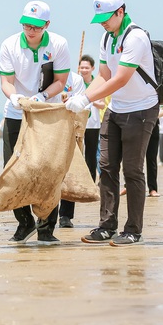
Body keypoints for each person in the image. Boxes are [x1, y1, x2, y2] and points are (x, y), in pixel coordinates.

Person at [66, 0, 158, 246]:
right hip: (115, 109)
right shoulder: (107, 38)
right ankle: (106, 226)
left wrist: (85, 100)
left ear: (121, 12)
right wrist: (82, 95)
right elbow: (104, 75)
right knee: (106, 167)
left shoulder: (136, 37)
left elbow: (120, 79)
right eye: (100, 18)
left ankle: (133, 230)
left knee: (132, 170)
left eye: (107, 17)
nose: (103, 23)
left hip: (141, 109)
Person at [0, 0, 71, 243]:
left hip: (47, 113)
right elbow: (6, 82)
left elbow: (60, 80)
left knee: (48, 169)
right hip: (16, 113)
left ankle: (46, 228)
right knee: (13, 167)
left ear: (47, 25)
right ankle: (24, 222)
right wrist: (15, 97)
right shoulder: (9, 45)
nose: (31, 30)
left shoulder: (59, 44)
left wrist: (42, 97)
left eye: (36, 26)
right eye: (27, 25)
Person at [58, 56, 104, 228]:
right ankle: (45, 215)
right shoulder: (44, 76)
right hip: (51, 130)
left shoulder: (76, 80)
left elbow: (83, 105)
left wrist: (70, 103)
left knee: (71, 169)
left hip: (74, 130)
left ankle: (65, 216)